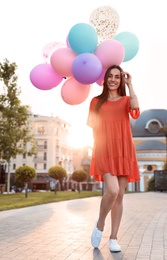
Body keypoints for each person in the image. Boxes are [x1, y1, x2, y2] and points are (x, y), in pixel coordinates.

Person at [87, 65, 140, 253]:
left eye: (117, 77)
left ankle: (114, 238)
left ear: (121, 80)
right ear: (104, 79)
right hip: (105, 150)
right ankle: (100, 224)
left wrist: (130, 84)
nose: (113, 80)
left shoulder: (126, 100)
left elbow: (135, 108)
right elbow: (94, 130)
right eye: (110, 76)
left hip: (124, 150)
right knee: (113, 190)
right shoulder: (95, 102)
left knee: (120, 196)